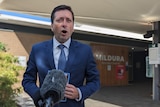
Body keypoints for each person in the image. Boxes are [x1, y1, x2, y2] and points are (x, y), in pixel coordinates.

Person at [22, 4, 100, 107]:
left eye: (68, 20)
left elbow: (95, 81)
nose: (64, 24)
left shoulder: (85, 51)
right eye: (59, 20)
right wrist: (37, 95)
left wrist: (79, 92)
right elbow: (27, 80)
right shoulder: (38, 49)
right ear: (52, 26)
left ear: (73, 27)